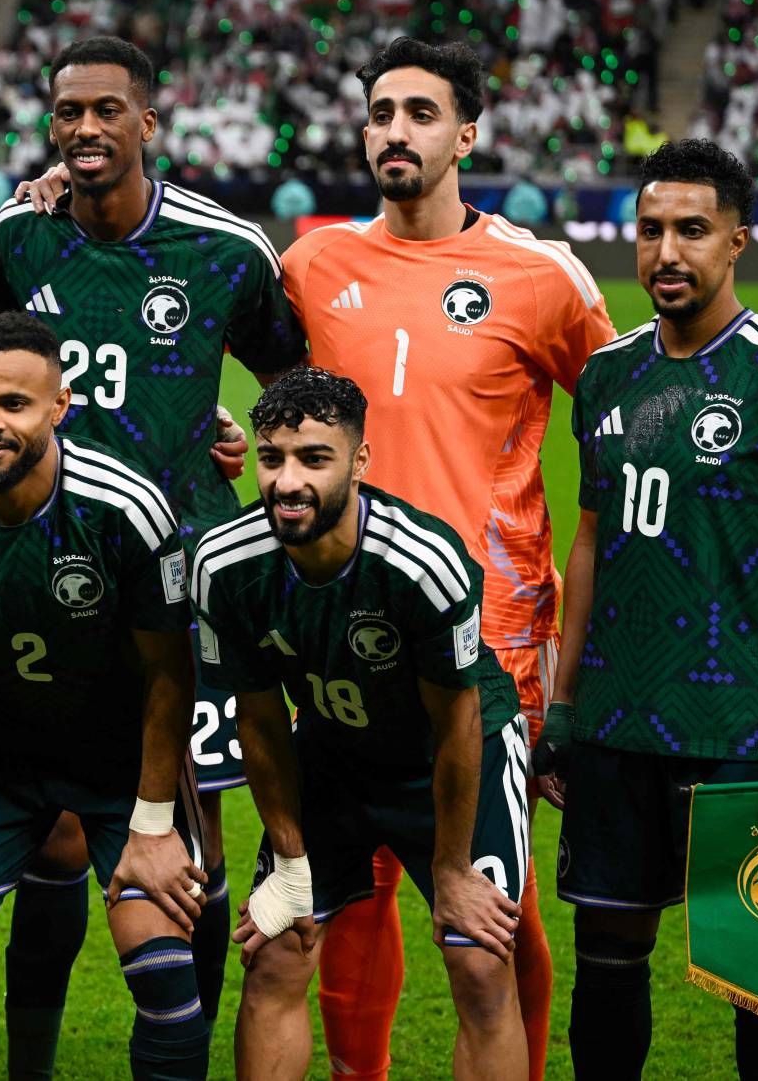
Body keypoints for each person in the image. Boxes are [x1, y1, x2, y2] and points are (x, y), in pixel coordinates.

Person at [281, 37, 614, 1081]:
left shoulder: (540, 277)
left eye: (420, 113)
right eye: (381, 112)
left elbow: (625, 422)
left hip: (491, 634)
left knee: (493, 901)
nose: (395, 131)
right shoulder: (311, 265)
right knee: (354, 885)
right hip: (339, 628)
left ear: (465, 134)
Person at [536, 138, 758, 1080]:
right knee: (607, 964)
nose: (667, 251)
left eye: (692, 229)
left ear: (737, 241)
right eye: (650, 230)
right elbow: (592, 540)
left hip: (745, 729)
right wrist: (564, 705)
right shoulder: (607, 373)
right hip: (616, 727)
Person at [2, 35, 306, 1039]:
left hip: (183, 578)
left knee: (195, 826)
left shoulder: (224, 250)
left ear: (148, 123)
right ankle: (32, 1060)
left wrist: (249, 448)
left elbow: (294, 385)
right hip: (44, 574)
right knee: (53, 833)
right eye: (68, 111)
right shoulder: (20, 238)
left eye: (106, 110)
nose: (85, 128)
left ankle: (185, 1043)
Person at [0, 311, 211, 1080]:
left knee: (163, 972)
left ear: (59, 405)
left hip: (123, 764)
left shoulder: (124, 509)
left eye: (14, 404)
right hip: (0, 755)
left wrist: (152, 825)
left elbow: (169, 673)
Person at [197, 366, 530, 1080]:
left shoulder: (422, 562)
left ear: (359, 461)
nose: (288, 482)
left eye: (314, 458)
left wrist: (451, 869)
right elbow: (260, 721)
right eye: (272, 458)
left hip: (450, 754)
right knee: (276, 950)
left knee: (479, 960)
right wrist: (291, 866)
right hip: (332, 755)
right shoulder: (224, 565)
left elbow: (458, 721)